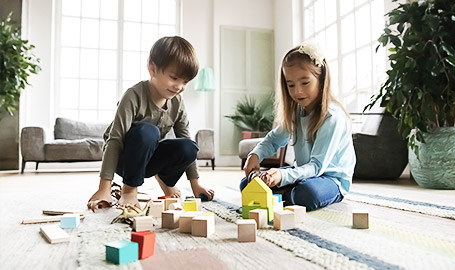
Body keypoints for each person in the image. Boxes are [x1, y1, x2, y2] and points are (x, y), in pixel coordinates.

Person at [88, 36, 214, 211]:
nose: (179, 86)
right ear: (152, 69)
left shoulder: (177, 103)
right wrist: (104, 188)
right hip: (124, 160)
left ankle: (165, 180)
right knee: (148, 131)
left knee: (189, 147)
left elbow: (185, 139)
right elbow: (114, 140)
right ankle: (129, 189)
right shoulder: (133, 96)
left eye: (185, 82)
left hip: (149, 159)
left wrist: (196, 184)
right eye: (174, 78)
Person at [241, 43, 356, 211]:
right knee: (247, 184)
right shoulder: (297, 112)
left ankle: (281, 195)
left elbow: (316, 166)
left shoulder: (332, 117)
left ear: (321, 79)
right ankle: (284, 194)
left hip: (331, 179)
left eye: (305, 82)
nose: (297, 92)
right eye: (291, 85)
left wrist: (282, 176)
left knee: (307, 194)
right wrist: (255, 155)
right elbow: (273, 140)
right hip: (303, 173)